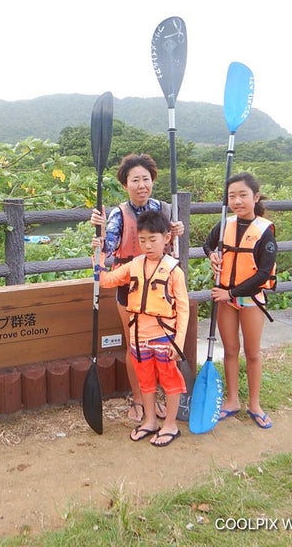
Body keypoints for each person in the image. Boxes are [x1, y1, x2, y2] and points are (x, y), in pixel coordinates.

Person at [89, 153, 184, 423]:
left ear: (152, 181)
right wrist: (98, 233)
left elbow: (171, 244)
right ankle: (140, 398)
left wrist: (177, 231)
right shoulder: (119, 214)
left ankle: (159, 398)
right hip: (130, 283)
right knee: (135, 345)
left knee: (161, 343)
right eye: (135, 180)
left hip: (161, 286)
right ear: (125, 184)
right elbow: (107, 247)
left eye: (146, 179)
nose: (141, 185)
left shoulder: (164, 210)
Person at [94, 210, 190, 446]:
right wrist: (97, 259)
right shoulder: (135, 265)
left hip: (165, 337)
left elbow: (184, 309)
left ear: (167, 238)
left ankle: (170, 424)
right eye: (142, 240)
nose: (147, 245)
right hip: (138, 336)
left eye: (153, 239)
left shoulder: (174, 271)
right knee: (145, 380)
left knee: (170, 381)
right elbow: (107, 281)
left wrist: (179, 342)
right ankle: (149, 421)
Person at [203, 172, 277, 429]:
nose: (237, 200)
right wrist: (212, 254)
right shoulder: (225, 224)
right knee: (231, 351)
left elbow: (264, 273)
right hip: (226, 299)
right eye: (232, 196)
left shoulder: (263, 231)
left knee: (252, 353)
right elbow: (208, 244)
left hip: (249, 301)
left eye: (243, 195)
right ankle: (232, 400)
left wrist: (232, 293)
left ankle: (254, 404)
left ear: (255, 197)